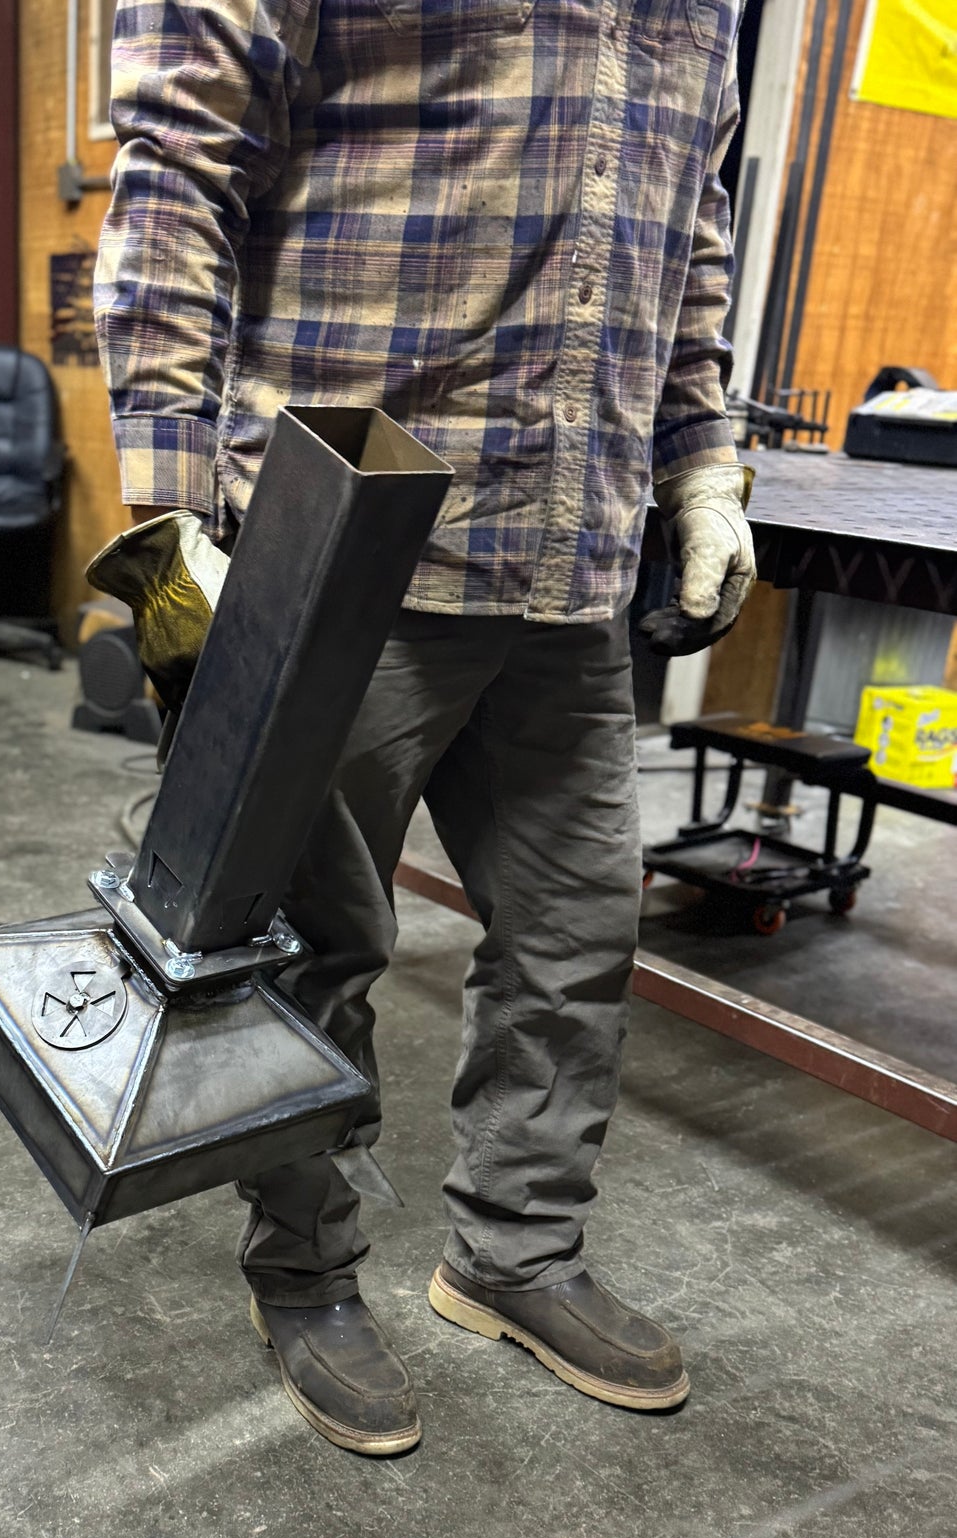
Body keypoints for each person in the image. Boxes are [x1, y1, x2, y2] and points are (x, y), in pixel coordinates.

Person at [89, 0, 756, 1456]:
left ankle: (514, 1254)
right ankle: (304, 1269)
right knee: (306, 949)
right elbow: (179, 158)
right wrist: (168, 522)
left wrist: (702, 462)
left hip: (569, 553)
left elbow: (686, 231)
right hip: (349, 538)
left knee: (576, 936)